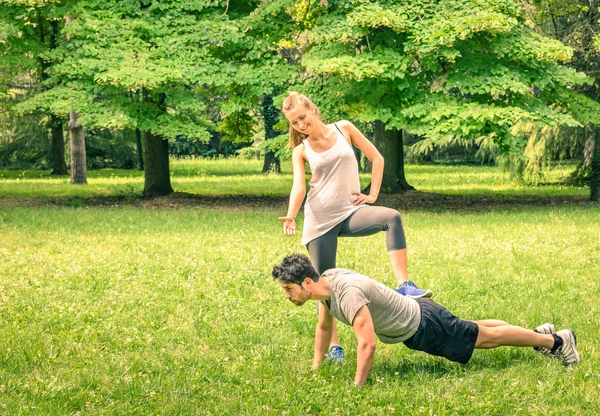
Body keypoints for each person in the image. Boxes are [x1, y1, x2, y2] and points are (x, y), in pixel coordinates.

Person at [278, 92, 432, 361]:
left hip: (349, 211)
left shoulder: (344, 128)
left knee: (391, 217)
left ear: (312, 109)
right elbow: (299, 186)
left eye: (302, 117)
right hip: (320, 220)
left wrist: (372, 195)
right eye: (294, 123)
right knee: (322, 284)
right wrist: (291, 215)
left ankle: (404, 284)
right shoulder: (301, 150)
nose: (300, 125)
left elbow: (378, 158)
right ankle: (334, 347)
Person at [271, 254, 580, 387]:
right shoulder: (325, 287)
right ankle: (540, 334)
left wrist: (357, 388)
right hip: (420, 314)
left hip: (423, 325)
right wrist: (316, 368)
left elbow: (367, 345)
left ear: (307, 282)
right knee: (476, 329)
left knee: (485, 338)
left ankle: (555, 341)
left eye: (288, 289)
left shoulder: (345, 293)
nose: (286, 295)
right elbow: (324, 328)